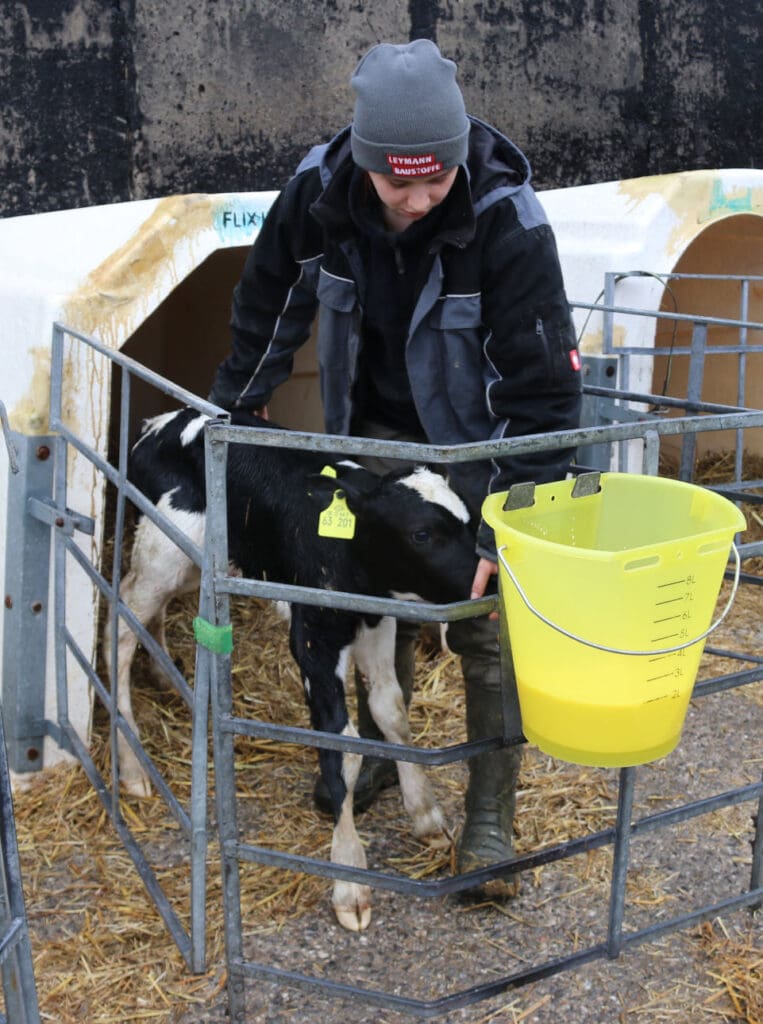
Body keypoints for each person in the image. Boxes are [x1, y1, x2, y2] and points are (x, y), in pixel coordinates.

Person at [209, 39, 582, 881]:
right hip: (371, 427)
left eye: (436, 179)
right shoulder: (315, 194)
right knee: (371, 582)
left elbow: (545, 392)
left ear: (458, 158)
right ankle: (382, 751)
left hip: (480, 445)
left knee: (487, 620)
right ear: (365, 162)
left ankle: (489, 814)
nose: (416, 201)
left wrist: (507, 521)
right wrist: (239, 404)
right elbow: (268, 300)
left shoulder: (506, 221)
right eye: (397, 182)